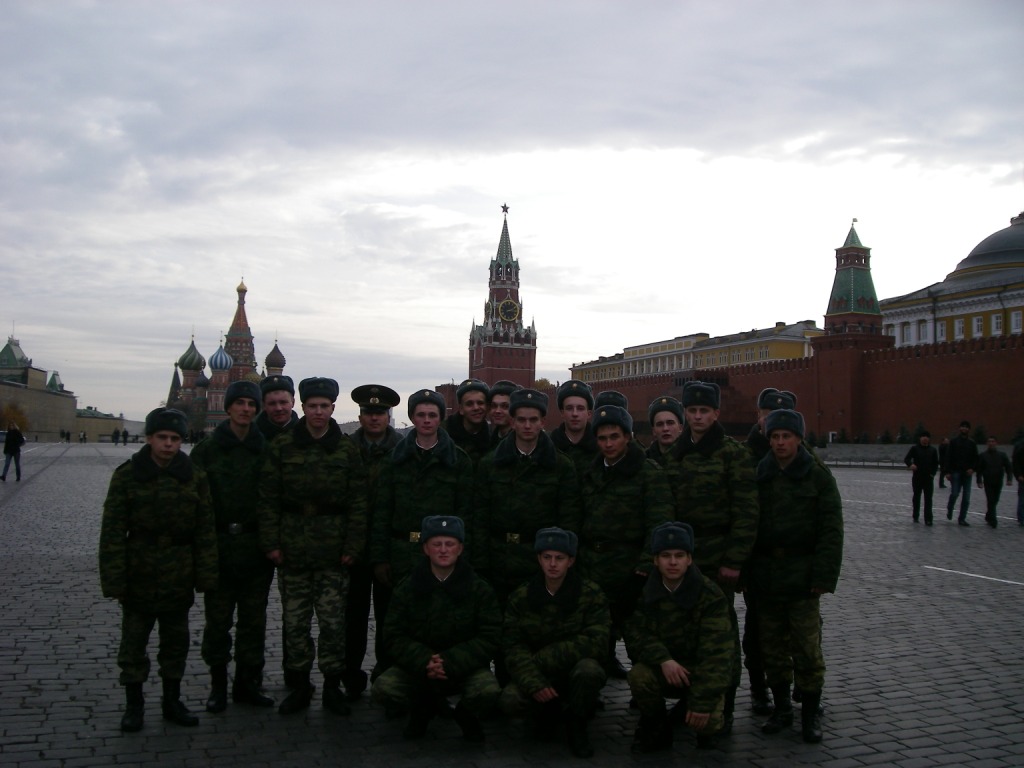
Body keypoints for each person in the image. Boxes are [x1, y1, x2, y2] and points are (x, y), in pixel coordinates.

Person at [98, 408, 218, 732]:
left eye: (174, 439)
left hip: (179, 571)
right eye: (162, 438)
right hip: (139, 570)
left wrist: (206, 574)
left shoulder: (193, 476)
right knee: (134, 643)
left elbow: (205, 528)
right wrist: (114, 579)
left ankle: (171, 700)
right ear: (150, 438)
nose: (168, 444)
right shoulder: (127, 475)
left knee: (175, 642)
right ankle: (133, 705)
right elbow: (112, 531)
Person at [258, 377, 368, 716]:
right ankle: (301, 684)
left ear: (333, 408)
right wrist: (272, 543)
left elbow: (358, 502)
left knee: (334, 623)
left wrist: (352, 545)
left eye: (324, 406)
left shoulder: (347, 449)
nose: (318, 411)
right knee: (295, 623)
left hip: (334, 553)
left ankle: (332, 685)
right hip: (293, 551)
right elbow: (267, 498)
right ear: (301, 407)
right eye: (312, 406)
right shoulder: (283, 446)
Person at [663, 381, 758, 736]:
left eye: (704, 411)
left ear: (716, 413)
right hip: (683, 560)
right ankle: (691, 700)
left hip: (719, 558)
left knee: (722, 635)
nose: (698, 416)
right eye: (692, 411)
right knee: (686, 629)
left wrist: (734, 560)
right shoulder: (676, 454)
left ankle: (725, 702)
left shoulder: (734, 454)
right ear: (685, 414)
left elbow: (747, 512)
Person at [747, 409, 843, 744]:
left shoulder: (817, 476)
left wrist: (823, 577)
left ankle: (810, 712)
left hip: (803, 578)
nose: (780, 443)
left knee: (806, 649)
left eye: (786, 436)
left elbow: (831, 531)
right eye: (774, 437)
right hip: (768, 577)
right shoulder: (762, 472)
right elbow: (750, 525)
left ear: (799, 439)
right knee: (772, 648)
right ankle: (782, 708)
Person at [371, 389, 473, 679]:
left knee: (439, 619)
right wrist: (379, 557)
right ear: (412, 417)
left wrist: (463, 558)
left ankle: (440, 678)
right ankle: (392, 675)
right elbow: (381, 511)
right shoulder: (394, 460)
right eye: (420, 414)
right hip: (400, 551)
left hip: (442, 556)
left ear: (441, 418)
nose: (426, 420)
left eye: (432, 415)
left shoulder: (458, 461)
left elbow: (467, 513)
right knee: (393, 618)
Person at [371, 515, 501, 742]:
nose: (443, 550)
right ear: (425, 549)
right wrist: (425, 660)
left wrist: (450, 661)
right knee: (385, 688)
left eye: (449, 544)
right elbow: (392, 635)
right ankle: (422, 709)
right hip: (419, 668)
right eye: (436, 544)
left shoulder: (479, 589)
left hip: (463, 668)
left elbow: (490, 637)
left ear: (460, 548)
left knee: (487, 691)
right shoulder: (407, 587)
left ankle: (466, 715)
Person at [190, 381, 275, 713]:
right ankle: (218, 685)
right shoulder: (207, 451)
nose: (245, 409)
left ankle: (247, 684)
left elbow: (271, 498)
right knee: (218, 622)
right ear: (228, 408)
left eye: (251, 404)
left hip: (255, 548)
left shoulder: (264, 449)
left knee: (253, 622)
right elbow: (195, 503)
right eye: (239, 403)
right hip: (220, 546)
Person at [578, 404, 673, 680]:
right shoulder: (591, 472)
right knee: (596, 629)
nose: (608, 444)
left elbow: (659, 521)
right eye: (602, 438)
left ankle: (645, 689)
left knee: (635, 629)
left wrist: (645, 566)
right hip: (593, 564)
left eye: (614, 437)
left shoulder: (647, 473)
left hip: (629, 567)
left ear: (628, 437)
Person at [501, 527, 610, 758]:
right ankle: (545, 712)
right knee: (510, 700)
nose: (553, 564)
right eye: (547, 557)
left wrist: (541, 659)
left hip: (573, 671)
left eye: (559, 558)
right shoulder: (521, 597)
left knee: (589, 671)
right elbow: (512, 645)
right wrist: (534, 682)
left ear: (570, 561)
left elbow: (597, 641)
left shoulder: (591, 594)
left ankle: (577, 723)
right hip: (539, 673)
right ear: (539, 559)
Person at [625, 522, 733, 753]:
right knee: (639, 676)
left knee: (708, 727)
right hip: (667, 668)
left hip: (700, 670)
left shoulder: (710, 595)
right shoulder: (646, 591)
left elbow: (716, 656)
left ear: (689, 559)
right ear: (655, 560)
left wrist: (702, 703)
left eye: (679, 555)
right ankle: (656, 725)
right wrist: (664, 660)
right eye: (665, 555)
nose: (672, 562)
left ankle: (693, 709)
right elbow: (636, 635)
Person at [475, 389, 581, 607]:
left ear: (543, 422)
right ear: (512, 422)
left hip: (540, 562)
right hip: (498, 560)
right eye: (521, 420)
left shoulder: (561, 466)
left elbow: (569, 518)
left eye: (533, 420)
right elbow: (479, 516)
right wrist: (480, 562)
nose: (527, 426)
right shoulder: (490, 464)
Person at [345, 383, 402, 699]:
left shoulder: (401, 450)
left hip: (387, 550)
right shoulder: (346, 449)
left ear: (388, 415)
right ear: (361, 415)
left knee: (387, 617)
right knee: (352, 618)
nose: (375, 417)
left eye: (380, 412)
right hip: (353, 550)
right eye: (369, 412)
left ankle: (386, 675)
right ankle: (351, 675)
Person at [742, 386, 797, 716]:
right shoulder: (745, 458)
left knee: (802, 631)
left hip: (795, 564)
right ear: (758, 417)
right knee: (757, 630)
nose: (771, 423)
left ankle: (801, 688)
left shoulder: (805, 461)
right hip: (759, 562)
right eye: (766, 415)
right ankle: (759, 688)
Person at [549, 379, 598, 476]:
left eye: (580, 409)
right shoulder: (549, 446)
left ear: (589, 413)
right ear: (562, 413)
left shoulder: (601, 446)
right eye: (569, 408)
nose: (575, 414)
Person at [444, 378, 491, 463]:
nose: (476, 408)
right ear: (461, 409)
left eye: (480, 403)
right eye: (469, 404)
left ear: (487, 407)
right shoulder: (443, 435)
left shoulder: (493, 438)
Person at [945, 420, 979, 526]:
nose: (964, 428)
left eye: (966, 427)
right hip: (955, 472)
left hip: (967, 474)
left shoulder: (972, 443)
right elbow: (948, 457)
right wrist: (947, 472)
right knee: (955, 493)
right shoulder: (954, 442)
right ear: (959, 428)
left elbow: (976, 458)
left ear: (969, 429)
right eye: (962, 427)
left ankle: (962, 518)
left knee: (966, 497)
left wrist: (973, 469)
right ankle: (950, 508)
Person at [904, 430, 940, 525]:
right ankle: (916, 515)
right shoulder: (915, 449)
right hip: (917, 477)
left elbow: (936, 463)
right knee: (917, 497)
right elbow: (906, 458)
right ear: (920, 438)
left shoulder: (933, 450)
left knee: (928, 498)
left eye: (927, 437)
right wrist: (910, 464)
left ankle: (928, 519)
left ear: (929, 439)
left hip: (928, 478)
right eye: (923, 436)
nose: (925, 438)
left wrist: (933, 474)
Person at [976, 437, 1013, 528]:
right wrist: (979, 481)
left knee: (995, 500)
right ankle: (993, 520)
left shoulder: (1002, 455)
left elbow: (1008, 467)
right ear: (987, 443)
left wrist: (1009, 479)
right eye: (989, 442)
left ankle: (989, 515)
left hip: (998, 481)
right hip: (988, 481)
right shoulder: (983, 455)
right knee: (991, 500)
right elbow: (979, 469)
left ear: (996, 443)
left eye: (993, 442)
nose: (991, 443)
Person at [255, 375, 299, 441]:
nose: (278, 408)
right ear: (263, 405)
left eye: (283, 402)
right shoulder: (252, 436)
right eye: (272, 403)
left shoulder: (307, 434)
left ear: (293, 402)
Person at [645, 396, 684, 466]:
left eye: (670, 423)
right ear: (653, 431)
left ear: (680, 428)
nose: (665, 428)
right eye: (660, 424)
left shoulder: (693, 459)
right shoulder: (643, 461)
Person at [487, 379, 521, 447]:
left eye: (505, 406)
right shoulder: (488, 440)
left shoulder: (522, 443)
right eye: (494, 406)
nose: (498, 411)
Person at [1013, 439, 1024, 527]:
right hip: (1023, 477)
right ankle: (1021, 518)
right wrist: (1019, 475)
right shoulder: (1020, 447)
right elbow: (1016, 463)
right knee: (1022, 499)